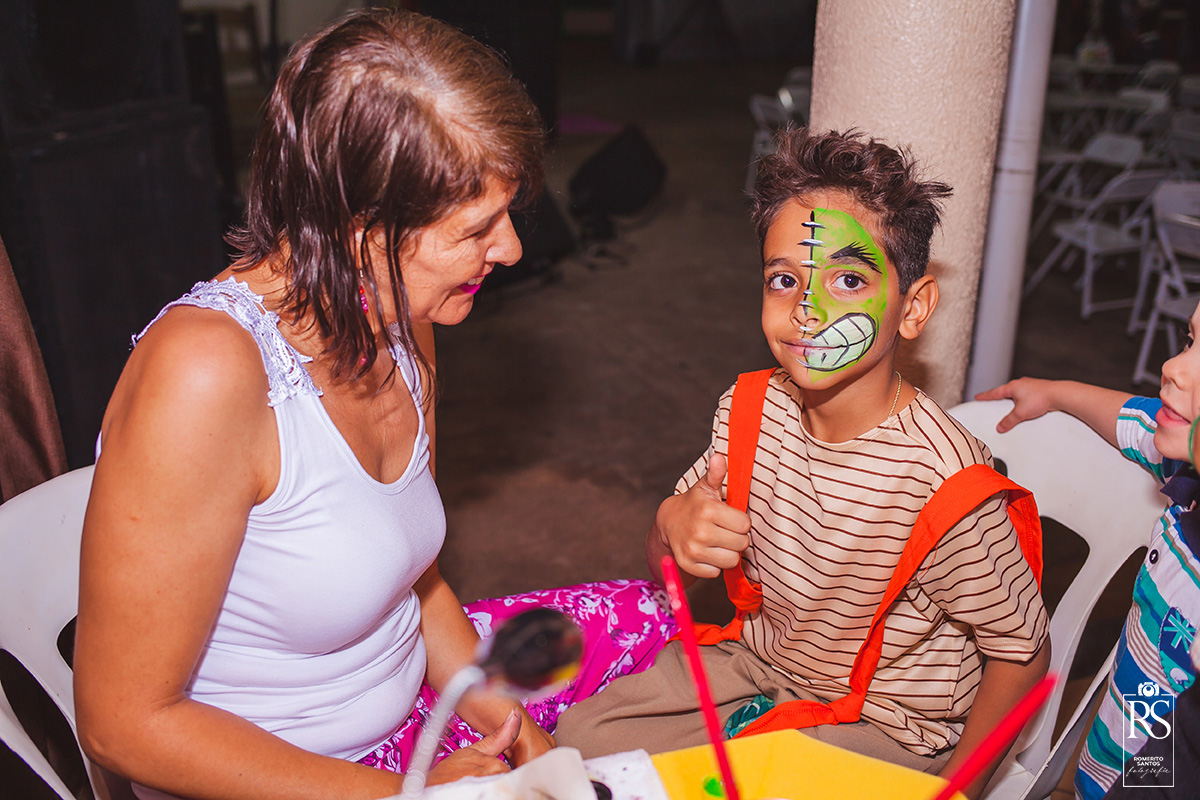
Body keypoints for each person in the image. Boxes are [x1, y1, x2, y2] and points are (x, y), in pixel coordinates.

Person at [73, 10, 672, 800]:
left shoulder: (401, 312)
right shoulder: (205, 377)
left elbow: (409, 575)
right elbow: (124, 724)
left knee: (670, 632)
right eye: (476, 228)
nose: (512, 250)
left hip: (410, 713)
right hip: (284, 777)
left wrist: (509, 721)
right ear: (362, 231)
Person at [555, 127, 1050, 799]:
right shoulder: (750, 410)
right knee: (581, 746)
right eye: (785, 280)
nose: (808, 312)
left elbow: (1022, 655)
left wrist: (958, 790)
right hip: (756, 665)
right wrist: (672, 524)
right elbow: (669, 563)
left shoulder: (947, 488)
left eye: (848, 280)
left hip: (887, 725)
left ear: (914, 308)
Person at [977, 299, 1200, 800]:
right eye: (1190, 342)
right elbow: (1137, 422)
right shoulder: (1183, 470)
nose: (1173, 367)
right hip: (1102, 768)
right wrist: (1055, 394)